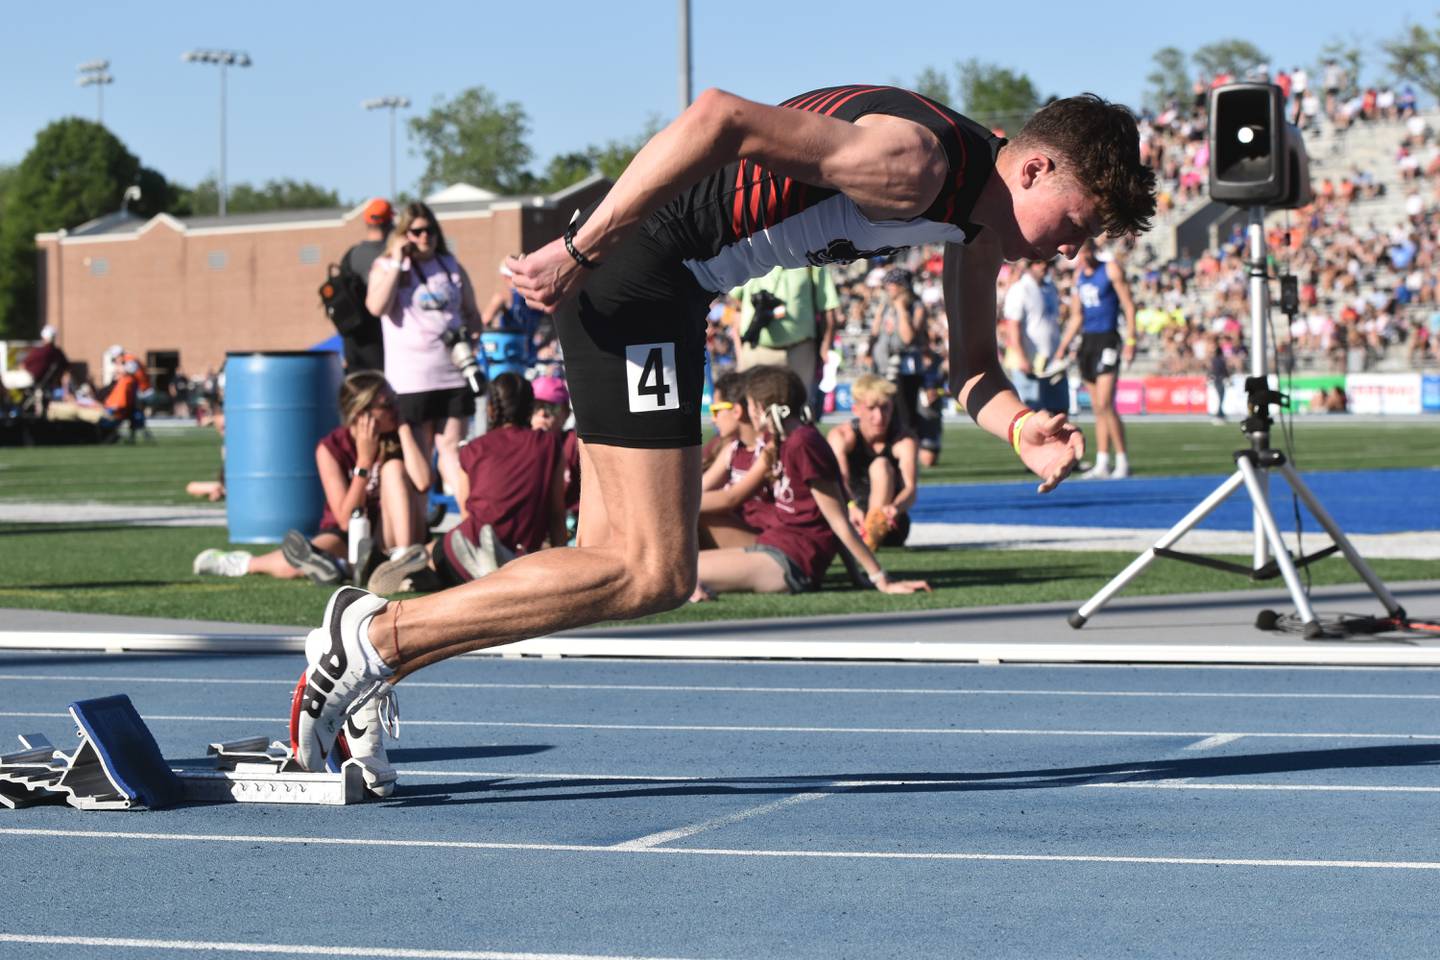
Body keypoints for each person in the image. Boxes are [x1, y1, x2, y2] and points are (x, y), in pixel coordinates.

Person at [289, 84, 1154, 773]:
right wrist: (583, 246)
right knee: (654, 570)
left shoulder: (974, 211)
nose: (1071, 253)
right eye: (1077, 226)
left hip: (659, 287)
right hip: (637, 275)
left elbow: (973, 363)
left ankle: (376, 649)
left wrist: (1018, 431)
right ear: (1034, 169)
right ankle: (373, 638)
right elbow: (719, 117)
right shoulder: (918, 161)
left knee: (604, 561)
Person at [690, 366, 927, 599]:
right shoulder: (785, 439)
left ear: (763, 408)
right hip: (775, 545)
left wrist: (879, 578)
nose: (749, 412)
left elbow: (837, 520)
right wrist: (856, 576)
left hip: (794, 559)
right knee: (680, 567)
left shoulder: (803, 443)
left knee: (681, 572)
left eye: (751, 404)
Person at [194, 371, 430, 587]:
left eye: (395, 399)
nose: (396, 408)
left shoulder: (406, 432)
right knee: (297, 562)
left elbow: (423, 482)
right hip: (351, 532)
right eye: (387, 404)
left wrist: (404, 429)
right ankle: (244, 563)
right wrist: (364, 463)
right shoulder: (331, 447)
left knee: (394, 468)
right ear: (361, 413)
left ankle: (402, 562)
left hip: (396, 533)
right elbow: (345, 520)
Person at [366, 202, 483, 502]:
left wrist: (469, 342)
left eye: (430, 230)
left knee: (452, 452)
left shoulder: (449, 264)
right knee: (419, 468)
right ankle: (417, 533)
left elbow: (472, 314)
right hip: (411, 380)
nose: (424, 237)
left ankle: (471, 524)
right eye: (416, 231)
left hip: (453, 375)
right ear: (404, 233)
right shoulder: (386, 266)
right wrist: (395, 261)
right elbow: (376, 307)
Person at [424, 373, 567, 587]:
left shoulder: (473, 449)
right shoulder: (549, 445)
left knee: (430, 554)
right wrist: (561, 565)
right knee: (435, 552)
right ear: (530, 408)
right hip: (522, 551)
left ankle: (411, 569)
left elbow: (466, 513)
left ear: (491, 407)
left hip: (468, 548)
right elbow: (556, 512)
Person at [1055, 238, 1137, 479]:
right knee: (1097, 408)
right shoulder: (1079, 277)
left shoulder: (1110, 268)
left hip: (1108, 338)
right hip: (1088, 342)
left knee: (1105, 403)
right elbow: (1076, 317)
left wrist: (1131, 340)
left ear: (1093, 250)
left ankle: (1122, 459)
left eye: (1087, 251)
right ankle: (1102, 461)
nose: (1084, 256)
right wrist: (1063, 346)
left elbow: (1129, 306)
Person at [826, 374, 920, 550]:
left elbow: (911, 489)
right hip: (852, 512)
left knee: (881, 465)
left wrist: (895, 508)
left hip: (889, 520)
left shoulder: (904, 440)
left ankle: (868, 536)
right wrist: (851, 507)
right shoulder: (841, 436)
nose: (879, 417)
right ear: (856, 409)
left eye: (885, 408)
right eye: (871, 408)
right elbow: (840, 480)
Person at [731, 264, 839, 397]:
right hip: (757, 351)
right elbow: (736, 307)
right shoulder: (750, 255)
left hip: (799, 352)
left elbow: (828, 309)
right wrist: (739, 350)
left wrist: (825, 347)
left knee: (799, 408)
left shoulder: (811, 259)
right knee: (753, 409)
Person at [696, 370, 774, 550]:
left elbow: (731, 498)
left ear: (737, 410)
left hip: (768, 538)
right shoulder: (732, 448)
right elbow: (699, 489)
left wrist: (673, 505)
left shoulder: (769, 446)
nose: (713, 419)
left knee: (694, 515)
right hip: (743, 530)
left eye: (716, 410)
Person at [1002, 258, 1069, 416]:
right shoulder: (1020, 289)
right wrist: (1022, 357)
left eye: (1047, 262)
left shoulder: (1050, 287)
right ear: (1030, 265)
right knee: (1032, 416)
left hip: (1052, 362)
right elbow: (1013, 326)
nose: (1044, 266)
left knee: (1059, 414)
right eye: (1039, 262)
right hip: (1030, 362)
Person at [336, 199, 394, 372]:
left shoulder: (351, 256)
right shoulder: (393, 255)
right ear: (390, 221)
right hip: (384, 340)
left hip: (355, 343)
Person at [871, 266, 929, 428]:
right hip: (884, 367)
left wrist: (900, 308)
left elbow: (908, 338)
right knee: (887, 414)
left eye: (893, 283)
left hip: (906, 369)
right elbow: (875, 332)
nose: (888, 287)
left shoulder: (915, 306)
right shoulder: (886, 305)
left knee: (906, 415)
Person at [530, 375, 581, 538]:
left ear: (566, 413)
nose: (542, 413)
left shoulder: (574, 444)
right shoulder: (520, 445)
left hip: (571, 526)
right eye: (536, 406)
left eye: (551, 407)